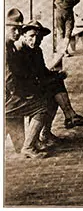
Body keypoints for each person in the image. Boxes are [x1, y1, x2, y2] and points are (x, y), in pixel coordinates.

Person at [25, 20, 83, 148]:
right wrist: (53, 78)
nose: (35, 40)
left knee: (55, 86)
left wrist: (56, 75)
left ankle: (53, 128)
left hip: (34, 85)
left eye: (38, 37)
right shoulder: (23, 52)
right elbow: (29, 78)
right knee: (53, 88)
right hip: (24, 90)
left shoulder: (37, 51)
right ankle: (70, 116)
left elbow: (43, 72)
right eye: (31, 36)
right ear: (24, 36)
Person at [6, 17, 51, 158]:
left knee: (41, 98)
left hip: (10, 95)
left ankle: (31, 143)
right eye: (13, 29)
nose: (17, 33)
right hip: (8, 98)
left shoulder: (10, 46)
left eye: (19, 29)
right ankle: (29, 146)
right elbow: (7, 78)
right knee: (42, 107)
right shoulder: (6, 49)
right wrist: (22, 94)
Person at [52, 0, 80, 66]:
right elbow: (51, 2)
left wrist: (67, 6)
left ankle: (64, 50)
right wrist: (65, 7)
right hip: (62, 13)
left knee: (66, 33)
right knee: (62, 32)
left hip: (65, 13)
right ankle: (64, 51)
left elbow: (77, 0)